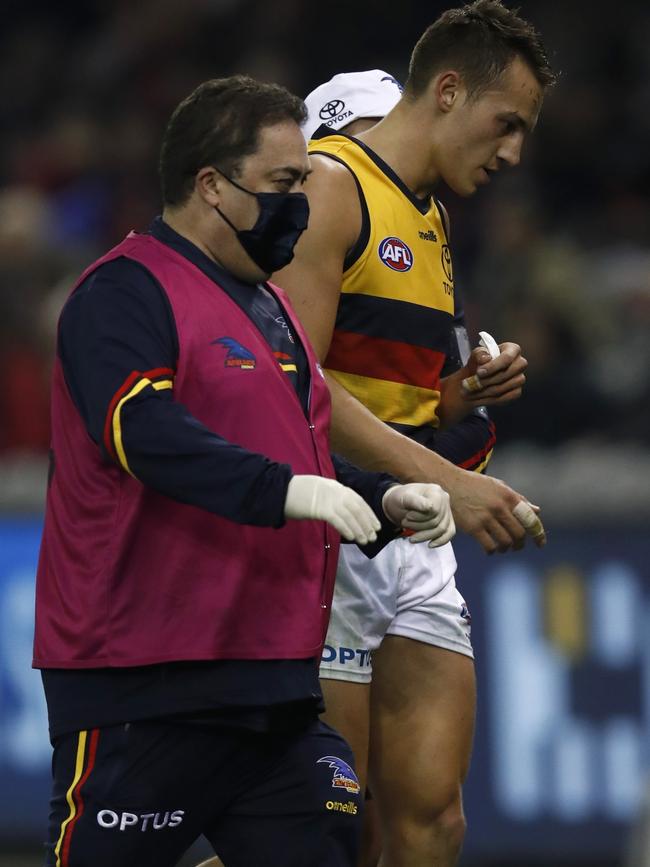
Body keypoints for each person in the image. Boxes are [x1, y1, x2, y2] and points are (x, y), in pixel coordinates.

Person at [32, 74, 457, 867]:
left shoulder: (275, 310)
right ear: (211, 186)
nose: (304, 200)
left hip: (275, 692)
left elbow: (301, 456)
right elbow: (145, 432)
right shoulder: (122, 293)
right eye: (285, 183)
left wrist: (386, 496)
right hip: (144, 685)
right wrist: (290, 493)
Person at [274, 4, 556, 866]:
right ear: (446, 90)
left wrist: (457, 392)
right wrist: (457, 481)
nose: (512, 153)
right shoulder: (331, 185)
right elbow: (295, 383)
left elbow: (387, 393)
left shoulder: (429, 219)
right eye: (506, 123)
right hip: (335, 530)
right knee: (326, 830)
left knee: (432, 824)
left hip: (416, 539)